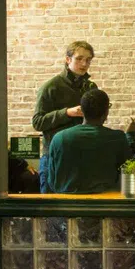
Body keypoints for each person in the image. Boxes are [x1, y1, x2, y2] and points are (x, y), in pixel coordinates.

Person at [32, 41, 99, 193]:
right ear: (68, 59)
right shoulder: (50, 87)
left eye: (88, 60)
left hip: (82, 158)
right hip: (55, 159)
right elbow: (37, 122)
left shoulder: (90, 87)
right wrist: (67, 112)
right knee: (52, 212)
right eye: (79, 58)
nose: (84, 63)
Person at [46, 89, 135, 194]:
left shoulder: (59, 138)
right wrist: (131, 136)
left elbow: (52, 181)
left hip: (66, 205)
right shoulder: (117, 137)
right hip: (105, 204)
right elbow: (132, 171)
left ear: (82, 111)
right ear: (106, 112)